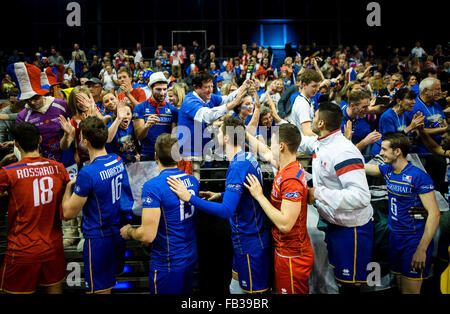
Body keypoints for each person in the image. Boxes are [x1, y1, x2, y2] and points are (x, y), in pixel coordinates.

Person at [168, 115, 270, 294]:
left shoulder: (238, 165)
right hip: (247, 238)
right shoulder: (247, 157)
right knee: (235, 288)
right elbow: (244, 195)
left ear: (226, 137)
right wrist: (221, 194)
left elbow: (226, 211)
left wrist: (189, 197)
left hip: (249, 241)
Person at [300, 102, 374, 294]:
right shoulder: (321, 141)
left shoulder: (344, 151)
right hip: (336, 223)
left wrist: (317, 193)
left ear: (321, 123)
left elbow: (360, 197)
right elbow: (300, 141)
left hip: (352, 229)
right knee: (341, 281)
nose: (312, 120)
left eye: (314, 117)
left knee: (351, 286)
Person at [61, 116, 134, 294]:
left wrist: (68, 187)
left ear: (85, 141)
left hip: (98, 239)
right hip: (117, 233)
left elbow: (68, 213)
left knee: (99, 291)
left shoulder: (88, 173)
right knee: (109, 285)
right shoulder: (117, 160)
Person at [120, 134, 199, 294]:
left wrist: (129, 231)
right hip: (189, 257)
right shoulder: (193, 181)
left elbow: (147, 236)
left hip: (167, 262)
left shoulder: (153, 186)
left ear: (156, 156)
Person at [364, 133, 440, 294]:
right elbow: (361, 166)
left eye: (384, 149)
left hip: (413, 240)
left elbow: (434, 213)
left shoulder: (419, 176)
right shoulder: (388, 170)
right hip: (394, 237)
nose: (381, 153)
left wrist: (422, 249)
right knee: (399, 286)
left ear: (397, 151)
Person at [244, 123, 314, 294]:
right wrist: (244, 133)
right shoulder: (286, 166)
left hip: (293, 256)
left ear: (281, 146)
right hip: (285, 250)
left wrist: (259, 195)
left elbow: (285, 224)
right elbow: (265, 151)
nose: (269, 146)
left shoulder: (291, 180)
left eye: (272, 142)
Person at [0, 122, 69, 294]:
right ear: (39, 139)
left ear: (16, 143)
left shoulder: (8, 172)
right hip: (54, 247)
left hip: (22, 250)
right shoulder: (58, 168)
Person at [176, 71, 250, 180]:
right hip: (189, 155)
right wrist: (233, 104)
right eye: (206, 87)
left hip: (203, 151)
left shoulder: (207, 97)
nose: (210, 90)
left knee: (204, 185)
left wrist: (243, 87)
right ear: (196, 88)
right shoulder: (190, 102)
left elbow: (226, 99)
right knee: (192, 187)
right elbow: (208, 116)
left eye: (211, 86)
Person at [133, 72, 177, 161]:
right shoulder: (140, 107)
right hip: (147, 155)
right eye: (158, 89)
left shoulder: (173, 110)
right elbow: (139, 136)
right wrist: (146, 126)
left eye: (165, 89)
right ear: (150, 88)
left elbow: (174, 137)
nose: (162, 93)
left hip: (166, 155)